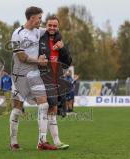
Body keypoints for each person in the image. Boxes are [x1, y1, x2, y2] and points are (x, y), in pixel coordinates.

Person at [9, 6, 62, 150]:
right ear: (32, 18)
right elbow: (21, 57)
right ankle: (13, 141)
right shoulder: (17, 33)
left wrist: (59, 42)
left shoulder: (39, 32)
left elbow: (54, 30)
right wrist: (38, 61)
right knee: (17, 109)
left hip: (35, 75)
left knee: (44, 105)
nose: (41, 21)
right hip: (19, 76)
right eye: (39, 18)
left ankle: (42, 141)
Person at [39, 15, 71, 149]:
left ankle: (56, 140)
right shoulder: (39, 38)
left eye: (55, 26)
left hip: (56, 78)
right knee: (45, 106)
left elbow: (68, 62)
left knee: (53, 108)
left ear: (58, 27)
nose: (52, 28)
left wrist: (62, 48)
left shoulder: (60, 41)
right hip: (42, 77)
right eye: (50, 25)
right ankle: (42, 141)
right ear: (46, 26)